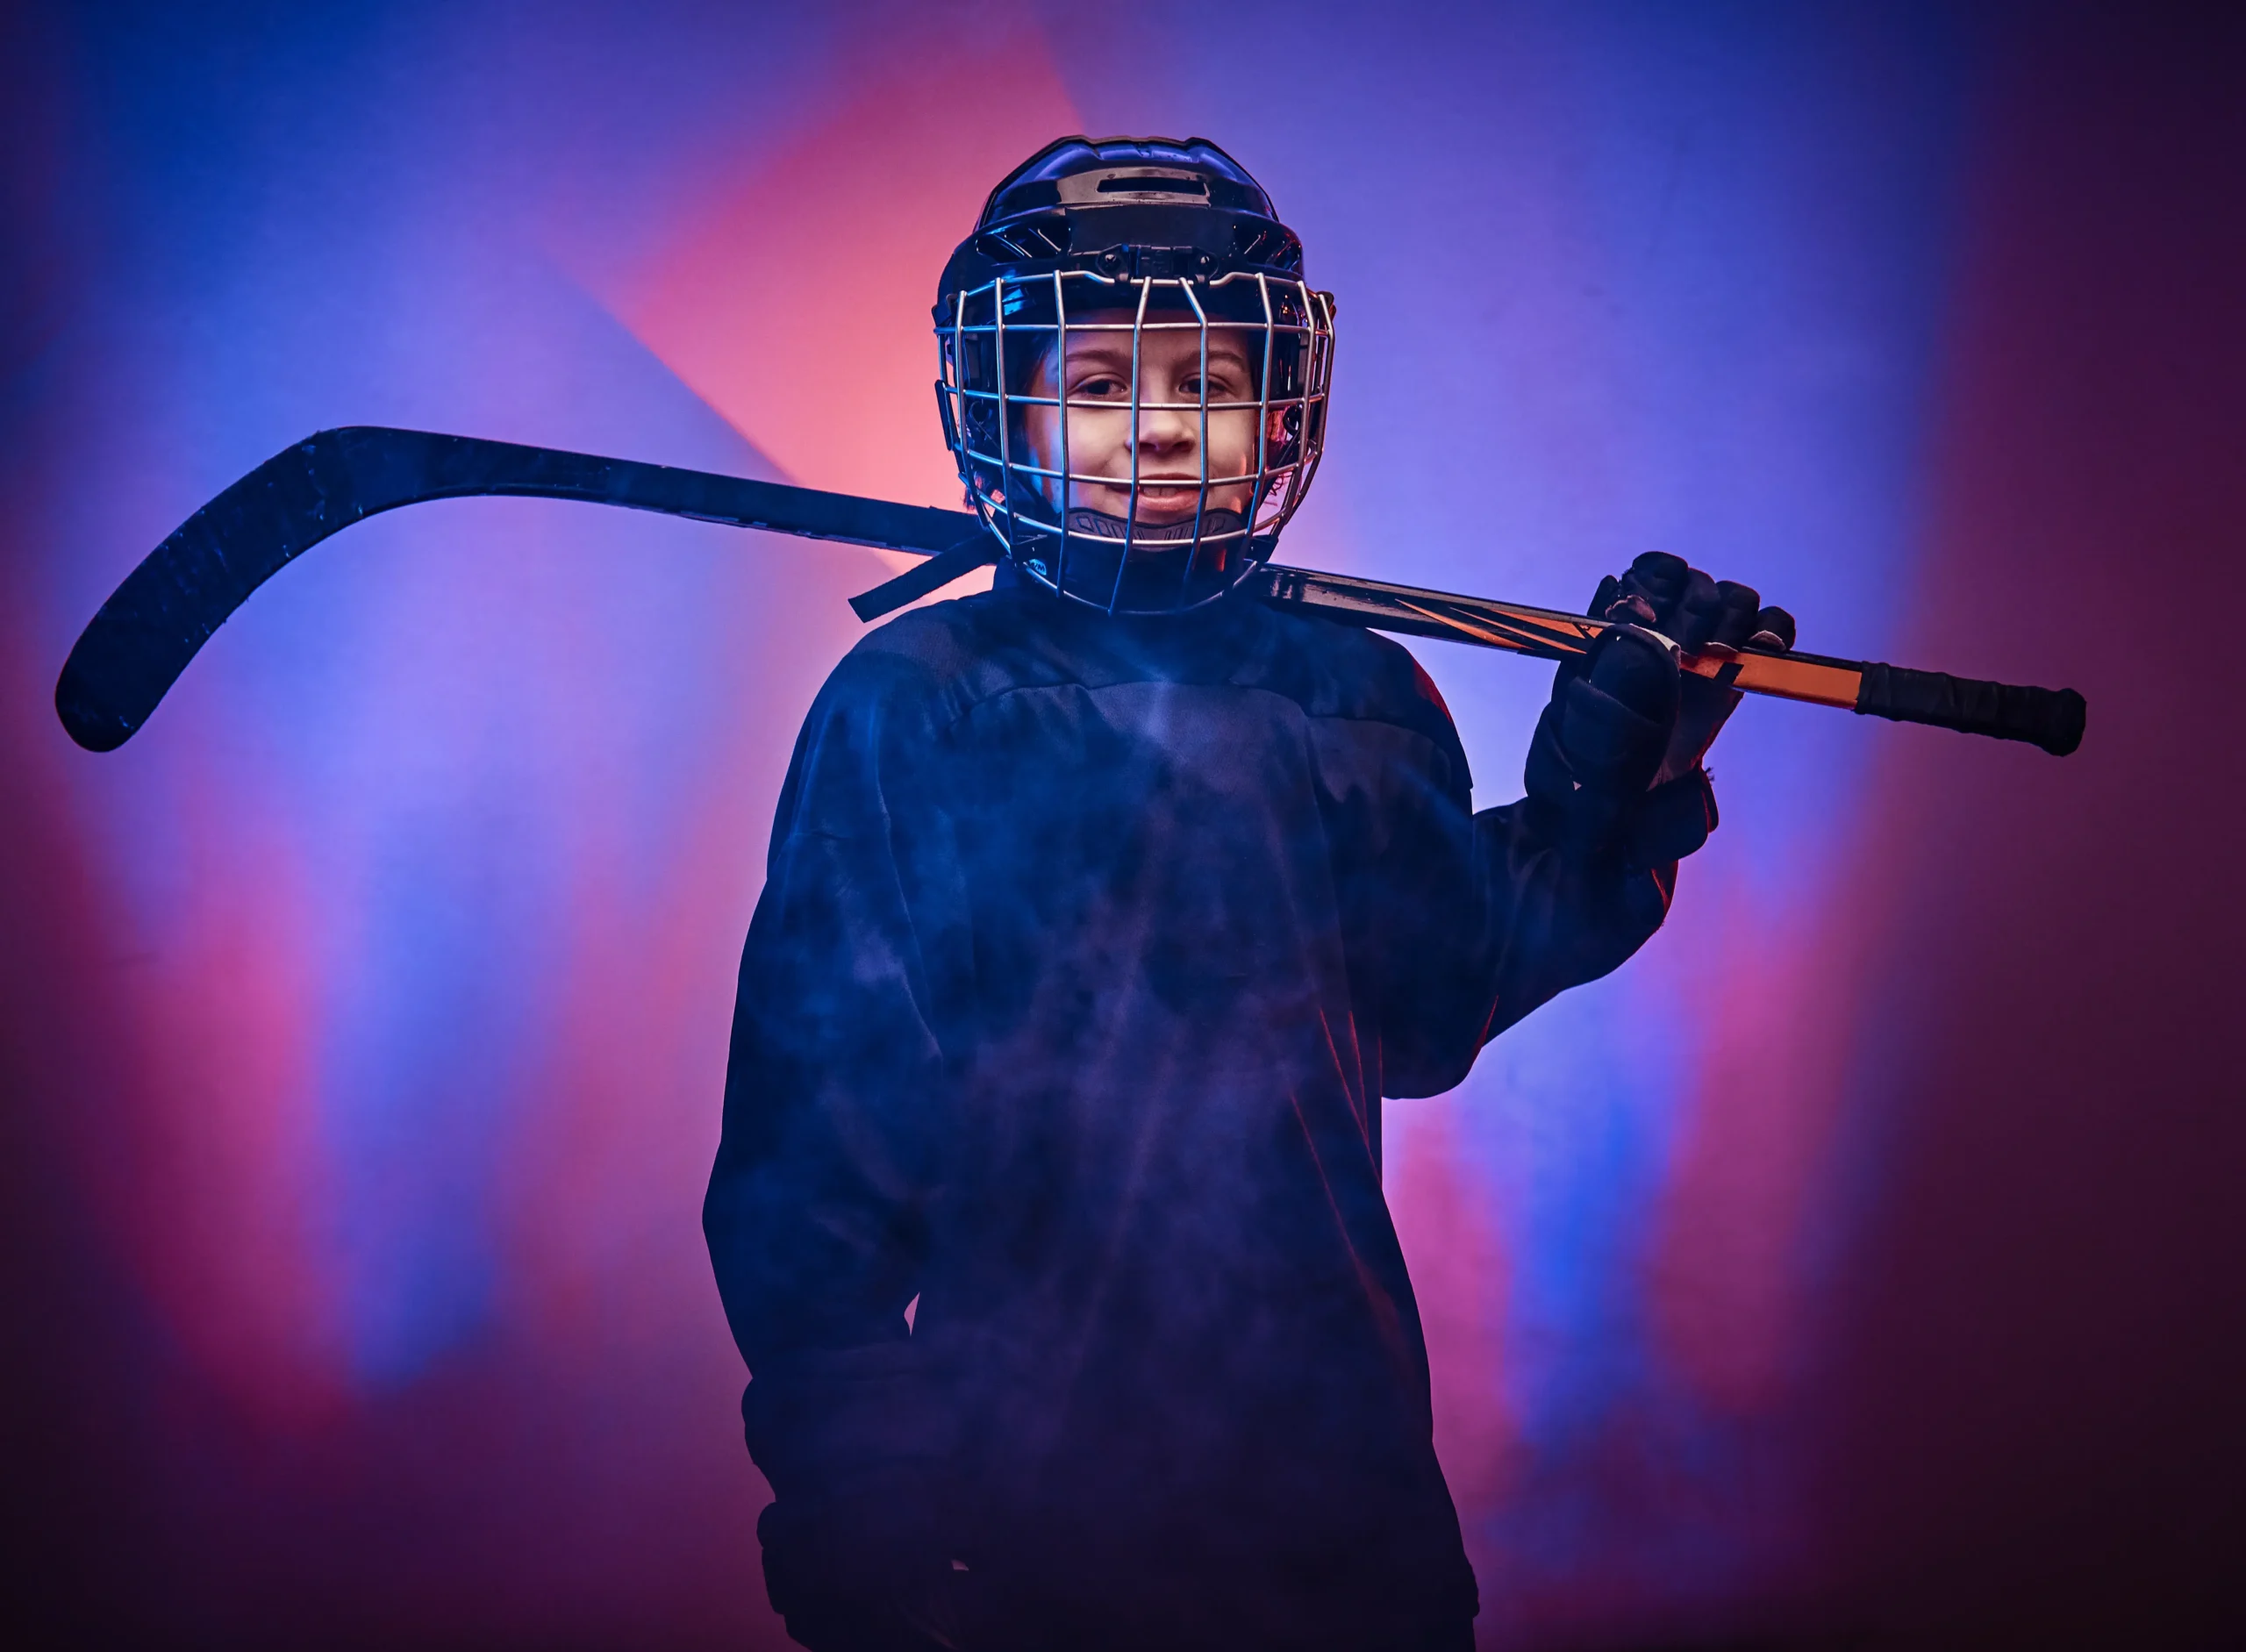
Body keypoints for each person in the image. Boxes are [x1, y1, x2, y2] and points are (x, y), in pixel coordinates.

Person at [703, 136, 1792, 1652]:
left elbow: (1427, 1010)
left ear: (1278, 410)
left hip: (1343, 1532)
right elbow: (811, 1183)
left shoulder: (1355, 692)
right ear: (1002, 405)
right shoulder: (916, 710)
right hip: (1020, 1545)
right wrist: (863, 1518)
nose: (1157, 430)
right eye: (1095, 386)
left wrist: (1605, 796)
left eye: (1206, 383)